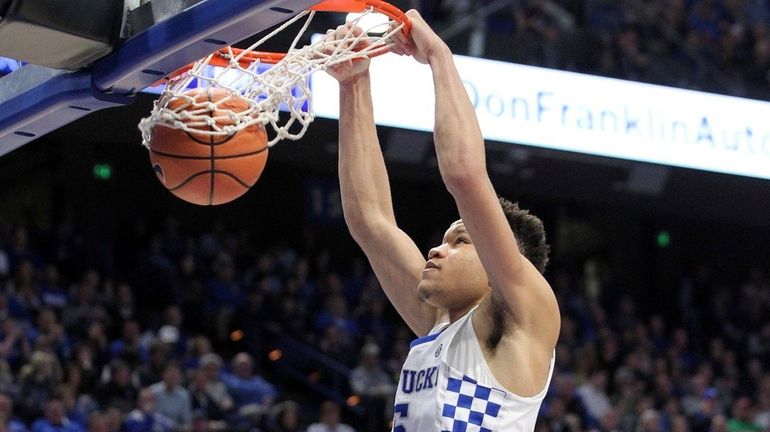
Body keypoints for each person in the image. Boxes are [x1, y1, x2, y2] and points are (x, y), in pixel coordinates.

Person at [326, 10, 560, 430]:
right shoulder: (438, 324)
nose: (436, 249)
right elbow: (370, 220)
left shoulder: (524, 316)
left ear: (496, 264)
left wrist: (439, 56)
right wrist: (353, 83)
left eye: (460, 241)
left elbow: (465, 175)